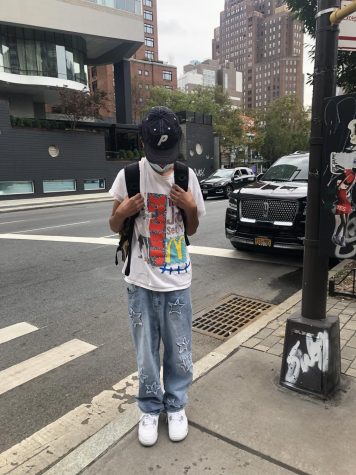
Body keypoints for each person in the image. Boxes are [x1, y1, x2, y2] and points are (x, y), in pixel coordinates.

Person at [108, 106, 206, 446]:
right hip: (140, 282)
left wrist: (191, 207)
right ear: (142, 144)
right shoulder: (129, 176)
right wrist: (122, 211)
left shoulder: (185, 175)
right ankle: (149, 408)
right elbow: (113, 224)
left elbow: (192, 227)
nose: (162, 162)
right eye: (156, 155)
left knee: (179, 349)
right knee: (146, 350)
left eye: (167, 154)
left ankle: (176, 405)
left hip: (177, 280)